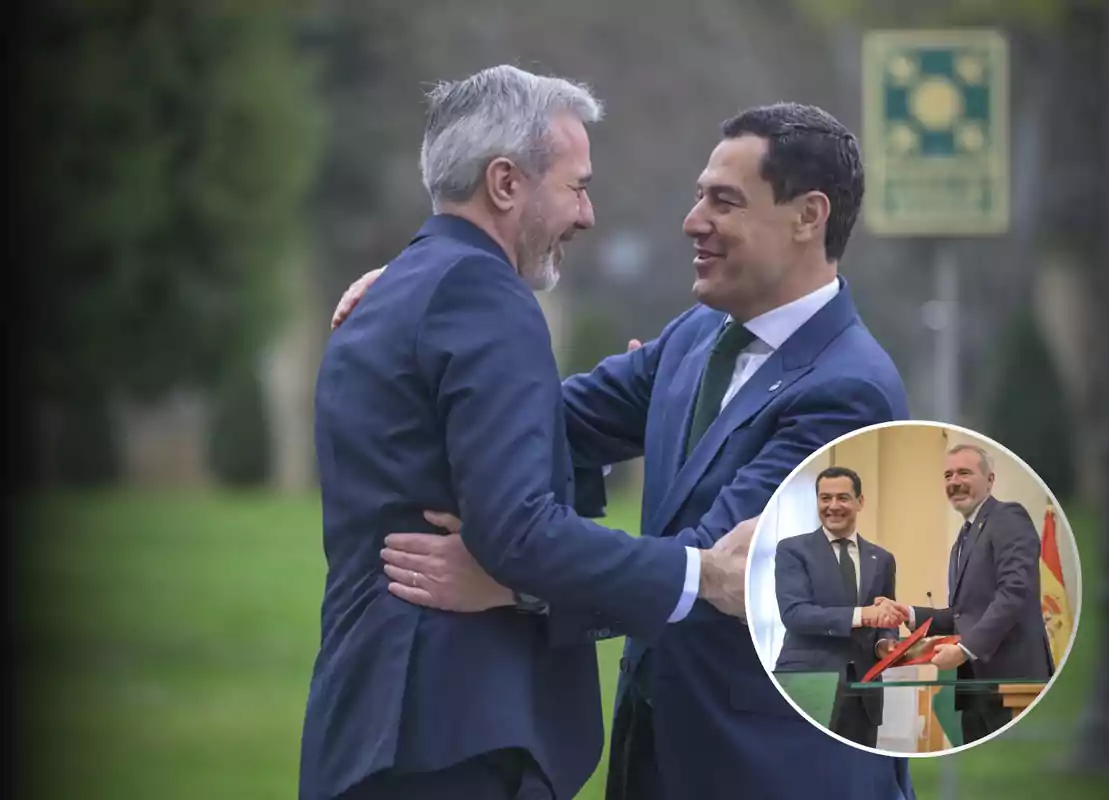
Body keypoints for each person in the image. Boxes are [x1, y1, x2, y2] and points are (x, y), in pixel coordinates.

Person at [335, 103, 916, 799]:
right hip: (659, 753)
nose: (692, 221)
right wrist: (420, 303)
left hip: (772, 769)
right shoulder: (697, 336)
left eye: (723, 202)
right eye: (700, 196)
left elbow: (721, 568)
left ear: (808, 217)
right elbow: (530, 419)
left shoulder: (849, 391)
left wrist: (518, 587)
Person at [299, 65, 755, 800]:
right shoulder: (482, 294)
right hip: (456, 736)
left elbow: (536, 433)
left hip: (382, 730)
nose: (587, 214)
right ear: (506, 183)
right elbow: (517, 530)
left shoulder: (407, 290)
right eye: (576, 186)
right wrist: (701, 573)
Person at [879, 444, 1054, 744]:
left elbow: (1014, 593)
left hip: (1013, 685)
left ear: (990, 480)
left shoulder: (1007, 517)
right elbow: (961, 616)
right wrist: (908, 613)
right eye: (948, 475)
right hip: (974, 691)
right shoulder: (962, 539)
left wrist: (964, 650)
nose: (954, 481)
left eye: (964, 472)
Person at [773, 466, 903, 748]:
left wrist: (886, 644)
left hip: (864, 693)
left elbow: (886, 620)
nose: (833, 506)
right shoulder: (792, 550)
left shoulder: (882, 559)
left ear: (860, 502)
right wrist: (861, 615)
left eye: (843, 498)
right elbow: (795, 615)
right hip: (808, 685)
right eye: (825, 498)